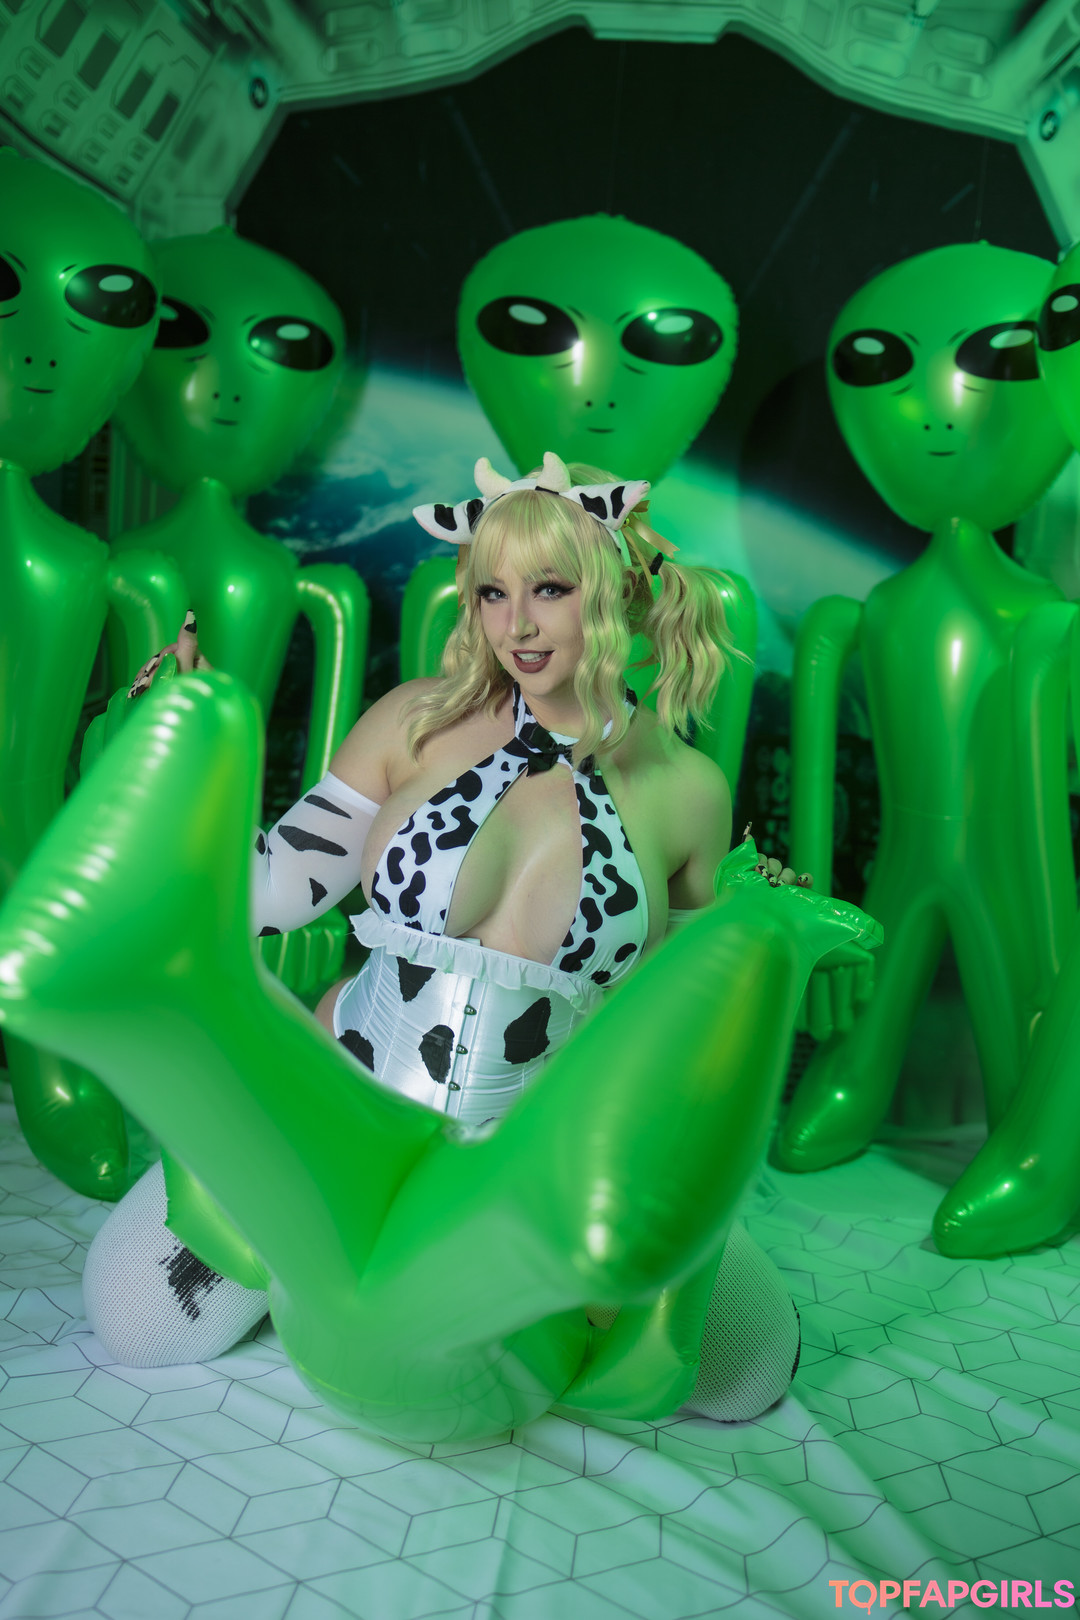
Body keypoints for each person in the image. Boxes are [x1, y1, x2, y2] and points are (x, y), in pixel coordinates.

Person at [83, 452, 804, 1421]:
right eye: (494, 592)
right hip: (343, 1108)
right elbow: (272, 891)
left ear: (621, 591)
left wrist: (760, 932)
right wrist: (183, 756)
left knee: (748, 1377)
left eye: (550, 589)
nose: (517, 626)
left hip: (535, 1161)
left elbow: (681, 1020)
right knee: (137, 1325)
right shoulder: (412, 722)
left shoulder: (687, 790)